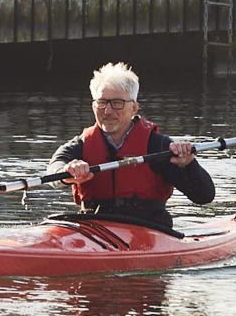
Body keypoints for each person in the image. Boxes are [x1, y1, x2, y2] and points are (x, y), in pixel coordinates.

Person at [52, 62, 217, 232]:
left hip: (148, 231)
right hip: (94, 230)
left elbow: (204, 196)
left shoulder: (157, 146)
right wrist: (67, 173)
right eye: (101, 102)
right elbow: (55, 167)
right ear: (93, 106)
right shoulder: (81, 144)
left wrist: (189, 164)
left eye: (117, 103)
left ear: (134, 108)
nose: (107, 111)